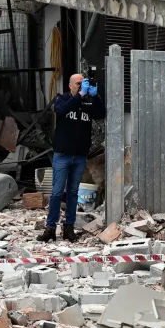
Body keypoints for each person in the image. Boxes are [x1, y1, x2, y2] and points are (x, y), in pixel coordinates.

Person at [39, 72, 106, 242]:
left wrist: (95, 95)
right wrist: (80, 95)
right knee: (56, 193)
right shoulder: (62, 99)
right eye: (77, 83)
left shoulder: (88, 102)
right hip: (62, 155)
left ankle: (69, 228)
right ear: (70, 85)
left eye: (83, 83)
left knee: (73, 193)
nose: (80, 86)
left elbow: (100, 114)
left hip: (79, 156)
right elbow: (61, 110)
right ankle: (50, 228)